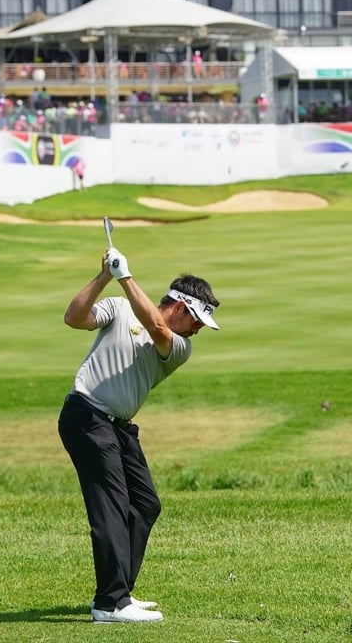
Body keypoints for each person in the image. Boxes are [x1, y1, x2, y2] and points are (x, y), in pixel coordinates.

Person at [59, 248, 220, 624]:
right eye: (196, 319)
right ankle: (110, 603)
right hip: (86, 415)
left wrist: (126, 276)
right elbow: (73, 317)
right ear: (180, 306)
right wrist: (104, 277)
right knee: (112, 507)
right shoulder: (118, 307)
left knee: (145, 504)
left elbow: (157, 328)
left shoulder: (180, 346)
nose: (198, 329)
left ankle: (119, 593)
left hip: (118, 427)